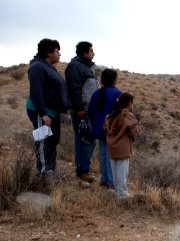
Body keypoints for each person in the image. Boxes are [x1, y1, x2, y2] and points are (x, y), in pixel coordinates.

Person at [27, 38, 70, 176]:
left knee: (52, 141)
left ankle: (50, 170)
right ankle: (44, 174)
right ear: (48, 53)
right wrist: (43, 113)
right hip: (42, 111)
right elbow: (36, 92)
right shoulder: (37, 67)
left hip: (52, 112)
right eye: (57, 51)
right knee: (43, 142)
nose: (59, 54)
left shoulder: (49, 67)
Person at [65, 41, 98, 183]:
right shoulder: (75, 67)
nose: (93, 53)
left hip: (88, 110)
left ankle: (84, 168)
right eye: (91, 51)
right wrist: (79, 109)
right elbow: (73, 89)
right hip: (81, 111)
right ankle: (82, 171)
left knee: (90, 138)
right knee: (84, 139)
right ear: (84, 52)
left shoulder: (86, 67)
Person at [88, 69, 121, 189]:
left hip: (99, 129)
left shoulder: (96, 93)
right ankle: (111, 181)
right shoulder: (117, 93)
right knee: (110, 154)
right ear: (114, 79)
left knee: (103, 153)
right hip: (111, 130)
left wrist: (97, 124)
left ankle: (104, 179)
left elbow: (91, 112)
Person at [104, 93, 139, 199]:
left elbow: (105, 128)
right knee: (122, 172)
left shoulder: (112, 114)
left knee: (115, 172)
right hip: (123, 147)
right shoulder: (128, 115)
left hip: (111, 146)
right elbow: (134, 132)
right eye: (132, 103)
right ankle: (122, 195)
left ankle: (117, 192)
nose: (132, 106)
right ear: (129, 103)